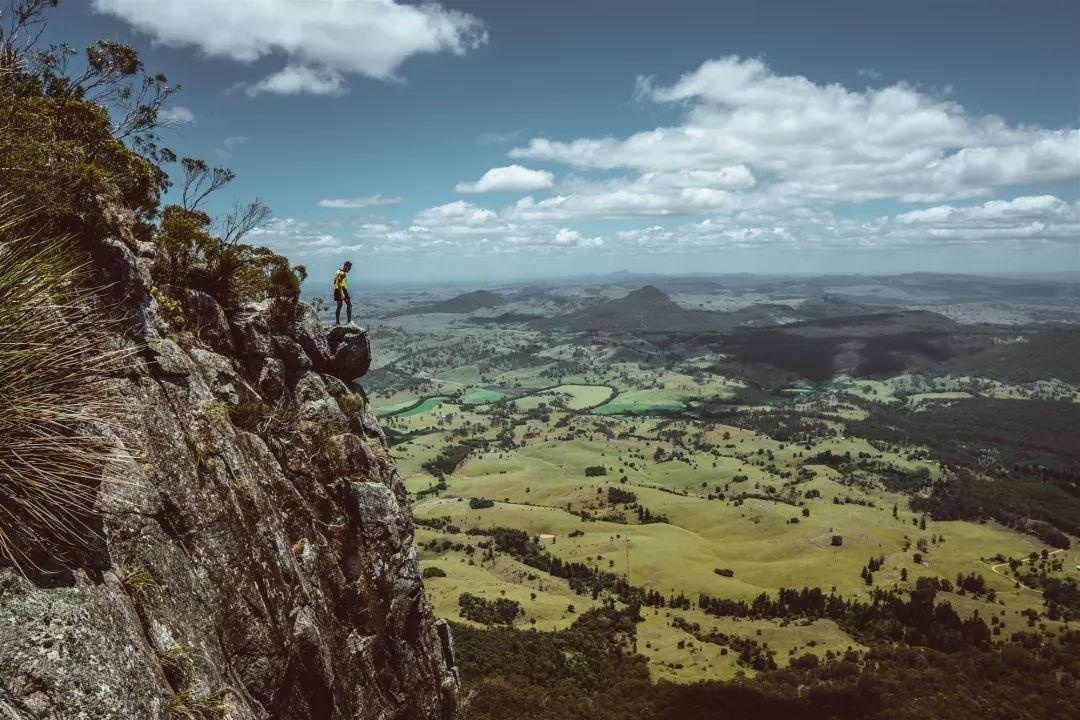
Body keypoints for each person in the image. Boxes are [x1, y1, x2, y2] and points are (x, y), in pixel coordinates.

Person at [333, 260, 353, 325]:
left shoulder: (338, 271)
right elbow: (339, 283)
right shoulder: (342, 273)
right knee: (349, 305)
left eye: (350, 268)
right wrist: (342, 293)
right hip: (341, 290)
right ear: (345, 266)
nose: (349, 270)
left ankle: (337, 322)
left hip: (336, 290)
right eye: (348, 268)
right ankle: (349, 322)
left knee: (339, 306)